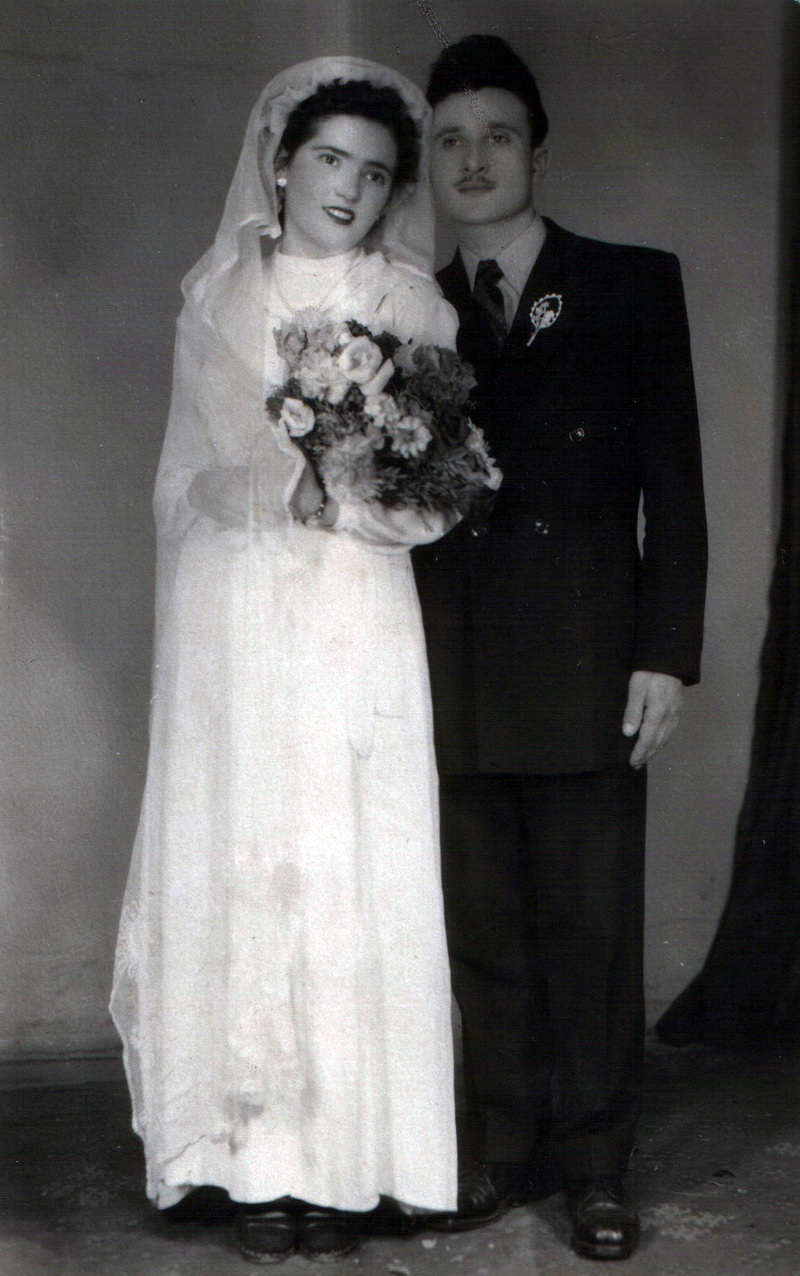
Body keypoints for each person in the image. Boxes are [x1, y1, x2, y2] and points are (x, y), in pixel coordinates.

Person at [110, 57, 460, 1265]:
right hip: (236, 614)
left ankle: (349, 1166)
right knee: (248, 852)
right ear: (279, 164)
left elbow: (436, 495)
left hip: (354, 607)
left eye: (374, 172)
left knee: (345, 854)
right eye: (328, 160)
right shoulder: (215, 298)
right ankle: (249, 1163)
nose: (348, 190)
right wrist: (247, 485)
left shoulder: (412, 307)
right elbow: (174, 483)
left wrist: (347, 492)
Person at [413, 35, 708, 1262]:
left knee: (587, 928)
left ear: (538, 151)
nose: (472, 159)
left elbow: (672, 486)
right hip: (451, 663)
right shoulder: (406, 309)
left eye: (496, 135)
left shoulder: (628, 284)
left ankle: (593, 1165)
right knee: (481, 924)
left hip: (590, 659)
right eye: (448, 140)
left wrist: (665, 652)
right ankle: (502, 1146)